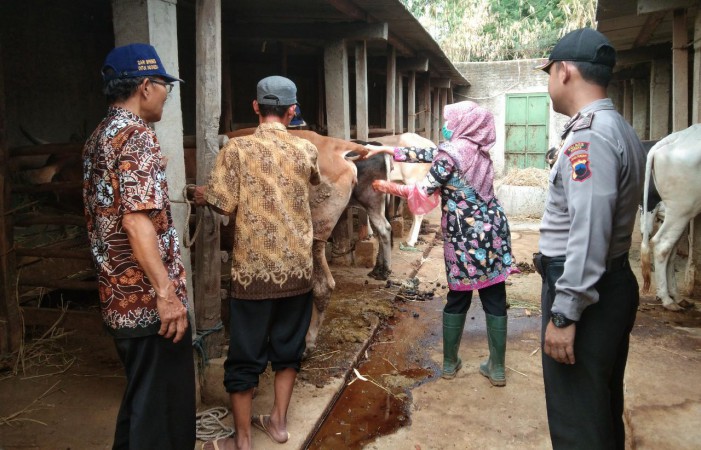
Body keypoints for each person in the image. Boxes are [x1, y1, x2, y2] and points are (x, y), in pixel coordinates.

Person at [533, 28, 645, 449]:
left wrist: (565, 314)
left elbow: (589, 230)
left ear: (564, 72)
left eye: (548, 74)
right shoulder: (615, 126)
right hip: (608, 283)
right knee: (598, 408)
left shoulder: (590, 137)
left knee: (577, 420)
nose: (548, 84)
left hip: (584, 293)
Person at [196, 76, 320, 450]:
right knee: (288, 349)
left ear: (255, 107)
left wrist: (199, 194)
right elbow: (311, 181)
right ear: (292, 111)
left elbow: (221, 203)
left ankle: (243, 440)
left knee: (244, 356)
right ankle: (279, 424)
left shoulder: (236, 150)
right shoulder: (306, 150)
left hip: (253, 275)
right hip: (298, 271)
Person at [82, 43, 195, 449]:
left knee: (142, 406)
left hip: (119, 300)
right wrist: (167, 294)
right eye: (167, 85)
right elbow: (134, 221)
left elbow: (116, 205)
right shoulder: (136, 137)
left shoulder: (100, 137)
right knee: (163, 418)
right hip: (151, 308)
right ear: (146, 86)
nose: (167, 93)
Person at [365, 101, 514, 385]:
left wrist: (389, 187)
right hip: (493, 233)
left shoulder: (450, 155)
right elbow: (428, 153)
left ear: (462, 124)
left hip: (463, 238)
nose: (446, 126)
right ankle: (497, 368)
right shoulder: (477, 151)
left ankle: (449, 363)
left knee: (458, 295)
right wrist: (385, 149)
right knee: (494, 296)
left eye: (450, 121)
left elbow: (423, 189)